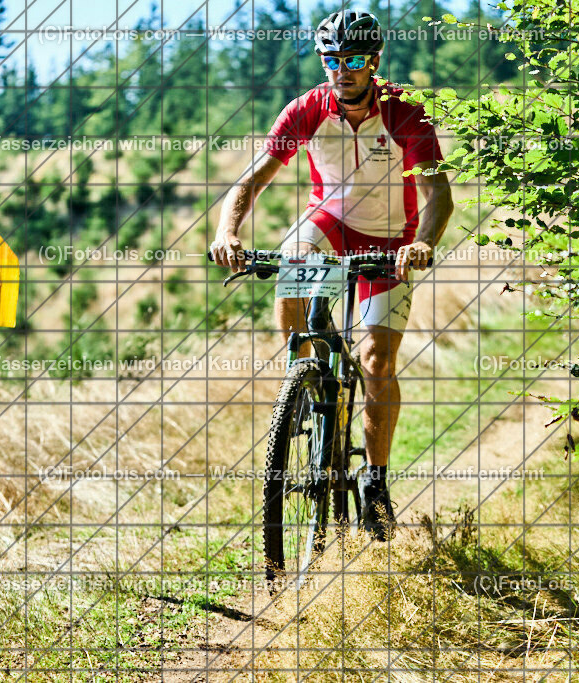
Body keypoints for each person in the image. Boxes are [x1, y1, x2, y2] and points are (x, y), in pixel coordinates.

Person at [210, 9, 453, 540]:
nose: (342, 69)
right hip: (331, 221)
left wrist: (422, 245)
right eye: (332, 60)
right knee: (290, 264)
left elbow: (439, 195)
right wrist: (228, 234)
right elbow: (248, 184)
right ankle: (304, 381)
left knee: (376, 361)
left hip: (394, 238)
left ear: (374, 62)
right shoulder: (305, 109)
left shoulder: (406, 112)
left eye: (354, 60)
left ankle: (376, 480)